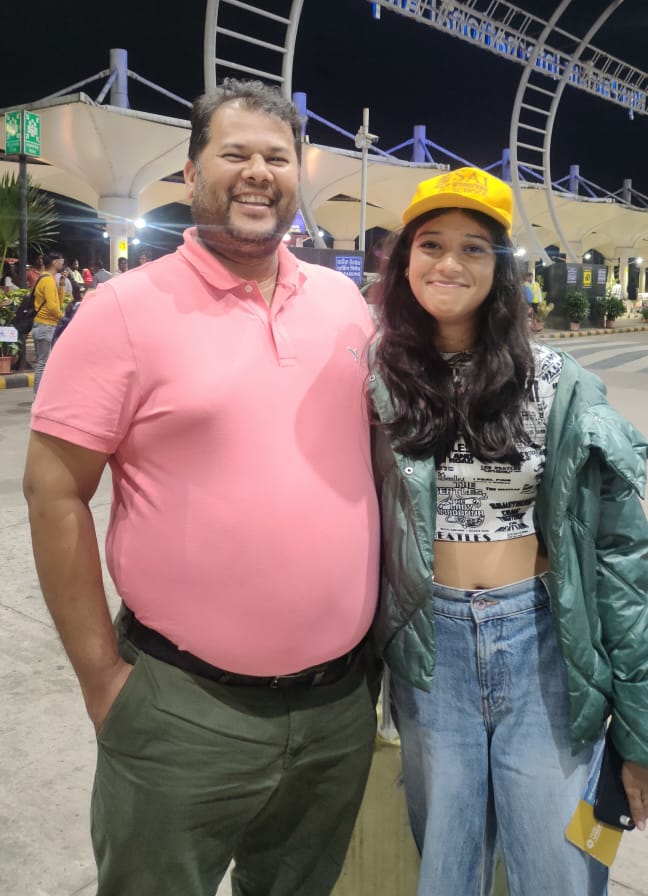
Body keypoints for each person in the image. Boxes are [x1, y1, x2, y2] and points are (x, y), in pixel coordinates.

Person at [23, 79, 380, 896]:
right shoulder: (122, 312)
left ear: (300, 176)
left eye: (277, 157)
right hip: (181, 712)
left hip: (336, 712)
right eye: (236, 154)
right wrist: (103, 682)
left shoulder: (344, 305)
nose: (258, 172)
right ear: (191, 174)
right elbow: (52, 493)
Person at [368, 166, 648, 896]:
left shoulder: (558, 382)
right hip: (433, 654)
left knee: (558, 870)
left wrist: (641, 726)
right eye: (431, 244)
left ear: (501, 267)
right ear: (405, 261)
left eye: (474, 248)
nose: (450, 264)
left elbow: (621, 555)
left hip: (544, 645)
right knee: (448, 866)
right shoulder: (375, 380)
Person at [31, 250, 67, 395]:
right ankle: (39, 396)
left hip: (44, 325)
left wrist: (62, 285)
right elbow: (53, 307)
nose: (63, 263)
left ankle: (43, 394)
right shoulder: (48, 280)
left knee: (44, 362)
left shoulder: (48, 279)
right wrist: (63, 319)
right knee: (42, 364)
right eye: (61, 261)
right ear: (54, 262)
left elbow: (57, 302)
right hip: (45, 325)